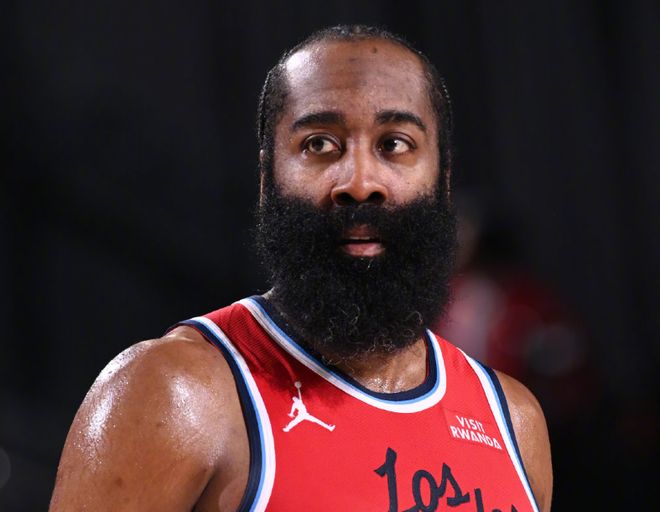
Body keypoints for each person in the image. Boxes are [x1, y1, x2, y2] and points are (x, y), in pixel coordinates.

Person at [49, 25, 552, 511]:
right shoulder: (174, 393)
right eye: (319, 144)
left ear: (442, 180)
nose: (360, 182)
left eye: (394, 144)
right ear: (267, 180)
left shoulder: (514, 421)